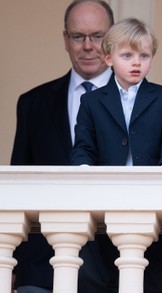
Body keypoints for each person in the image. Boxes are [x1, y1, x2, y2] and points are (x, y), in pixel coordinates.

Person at [70, 17, 162, 293]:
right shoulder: (92, 101)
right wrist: (83, 170)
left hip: (151, 196)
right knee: (107, 275)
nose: (137, 62)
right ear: (108, 58)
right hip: (107, 197)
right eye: (127, 55)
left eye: (144, 55)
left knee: (152, 278)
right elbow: (84, 145)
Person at [11, 1, 115, 292]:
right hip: (43, 266)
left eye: (98, 36)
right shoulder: (33, 104)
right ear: (65, 40)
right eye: (78, 36)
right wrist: (15, 262)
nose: (88, 46)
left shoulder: (147, 103)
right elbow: (21, 186)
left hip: (121, 263)